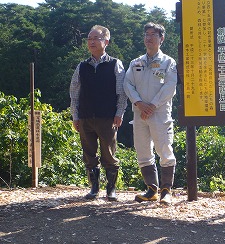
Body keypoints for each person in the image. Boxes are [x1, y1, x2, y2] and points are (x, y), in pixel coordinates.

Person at [70, 25, 127, 201]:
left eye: (96, 38)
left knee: (109, 154)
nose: (92, 42)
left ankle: (111, 189)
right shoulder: (82, 66)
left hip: (107, 117)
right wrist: (75, 115)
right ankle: (94, 188)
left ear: (106, 41)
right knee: (89, 154)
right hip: (86, 117)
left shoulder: (114, 64)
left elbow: (122, 92)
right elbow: (74, 92)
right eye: (89, 38)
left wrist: (120, 113)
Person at [124, 22, 177, 205]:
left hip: (160, 113)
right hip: (139, 113)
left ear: (161, 39)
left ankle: (166, 191)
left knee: (164, 150)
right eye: (146, 34)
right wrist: (139, 103)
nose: (149, 38)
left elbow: (170, 87)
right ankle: (151, 189)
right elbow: (127, 84)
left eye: (153, 34)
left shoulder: (168, 62)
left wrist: (152, 106)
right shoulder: (136, 62)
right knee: (143, 151)